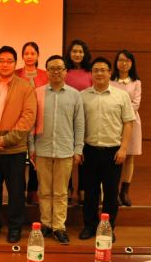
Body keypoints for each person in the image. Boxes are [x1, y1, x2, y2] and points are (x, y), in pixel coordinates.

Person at [0, 46, 36, 244]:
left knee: (16, 191)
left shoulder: (25, 87)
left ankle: (15, 227)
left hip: (14, 148)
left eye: (9, 61)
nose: (5, 64)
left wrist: (7, 139)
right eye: (1, 60)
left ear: (15, 63)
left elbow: (28, 117)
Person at [28, 55, 84, 245]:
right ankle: (46, 224)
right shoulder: (37, 93)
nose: (56, 72)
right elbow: (31, 122)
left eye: (59, 68)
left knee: (61, 192)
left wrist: (78, 149)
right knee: (44, 191)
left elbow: (79, 124)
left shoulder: (74, 95)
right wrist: (31, 146)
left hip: (65, 150)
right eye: (52, 68)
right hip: (42, 149)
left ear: (65, 71)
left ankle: (59, 227)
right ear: (47, 71)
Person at [79, 57, 136, 243]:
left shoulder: (121, 96)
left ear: (110, 73)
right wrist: (78, 148)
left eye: (103, 70)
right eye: (96, 70)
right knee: (90, 192)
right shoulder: (82, 96)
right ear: (91, 73)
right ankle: (89, 226)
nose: (99, 73)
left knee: (111, 193)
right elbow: (77, 125)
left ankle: (107, 227)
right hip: (89, 151)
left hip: (113, 152)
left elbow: (128, 123)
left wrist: (123, 149)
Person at [14, 42, 48, 205]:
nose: (29, 56)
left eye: (32, 53)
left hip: (39, 119)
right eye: (26, 53)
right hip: (19, 120)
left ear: (38, 55)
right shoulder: (15, 74)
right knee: (19, 156)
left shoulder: (45, 75)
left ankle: (33, 190)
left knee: (36, 157)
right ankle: (19, 189)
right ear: (22, 56)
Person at [110, 50, 142, 207]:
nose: (124, 63)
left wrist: (123, 116)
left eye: (128, 61)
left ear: (132, 64)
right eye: (121, 60)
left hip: (131, 122)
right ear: (116, 62)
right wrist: (116, 116)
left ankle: (124, 192)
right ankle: (113, 192)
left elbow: (136, 104)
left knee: (129, 157)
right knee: (113, 157)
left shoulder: (136, 82)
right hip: (112, 122)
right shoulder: (110, 81)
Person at [63, 39, 93, 204]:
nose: (77, 54)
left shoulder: (90, 73)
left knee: (83, 156)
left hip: (86, 119)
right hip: (67, 119)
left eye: (80, 51)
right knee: (68, 156)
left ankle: (82, 188)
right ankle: (67, 188)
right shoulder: (64, 72)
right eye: (74, 51)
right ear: (69, 53)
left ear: (85, 54)